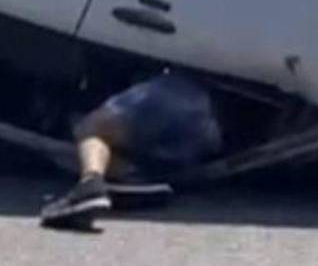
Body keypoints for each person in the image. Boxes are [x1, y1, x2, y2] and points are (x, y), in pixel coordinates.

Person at [40, 70, 223, 229]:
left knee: (91, 128)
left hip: (186, 91)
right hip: (212, 128)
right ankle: (131, 179)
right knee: (90, 148)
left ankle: (91, 185)